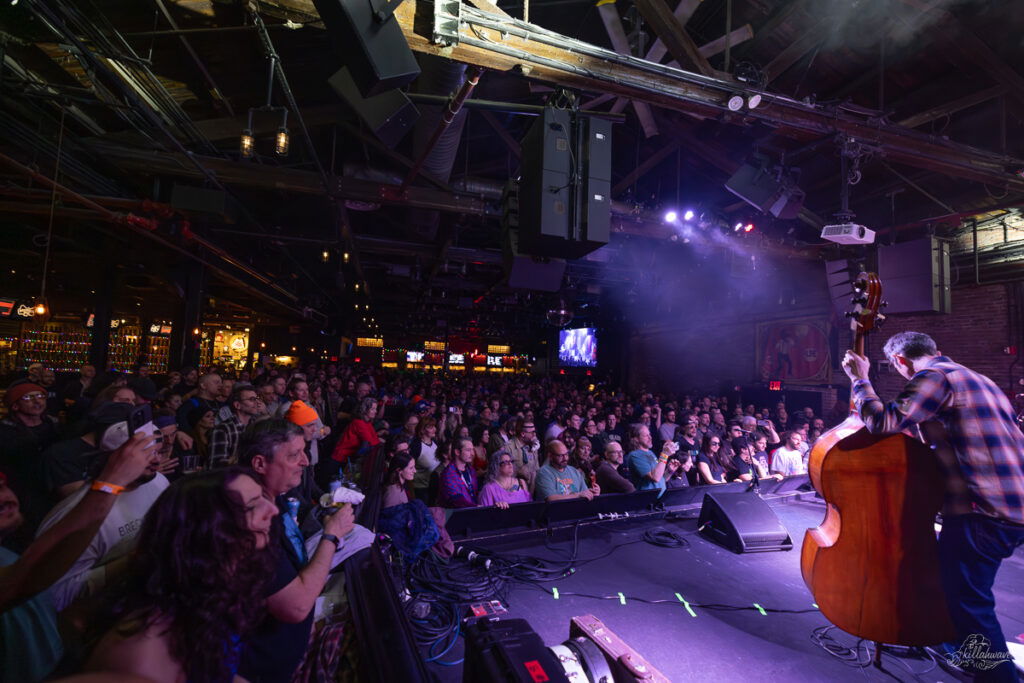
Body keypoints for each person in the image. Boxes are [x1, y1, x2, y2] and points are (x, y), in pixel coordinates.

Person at [843, 331, 1024, 681]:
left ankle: (998, 677)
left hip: (983, 509)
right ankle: (949, 645)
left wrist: (860, 379)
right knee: (955, 589)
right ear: (937, 351)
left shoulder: (935, 377)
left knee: (970, 604)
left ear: (901, 361)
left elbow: (882, 423)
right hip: (1013, 502)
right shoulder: (978, 378)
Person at [81, 467, 279, 683]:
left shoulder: (206, 594)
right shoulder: (141, 653)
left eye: (263, 497)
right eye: (253, 505)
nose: (272, 510)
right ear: (209, 531)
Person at [0, 433, 159, 682]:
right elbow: (26, 580)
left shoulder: (7, 553)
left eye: (1, 483)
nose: (3, 495)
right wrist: (112, 481)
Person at [237, 419, 356, 683]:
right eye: (294, 455)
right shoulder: (253, 521)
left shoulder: (275, 499)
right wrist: (332, 535)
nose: (305, 461)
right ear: (259, 464)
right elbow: (295, 606)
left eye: (304, 451)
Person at [34, 417, 170, 611]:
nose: (156, 460)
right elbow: (52, 596)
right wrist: (136, 559)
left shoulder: (158, 482)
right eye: (143, 453)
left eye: (156, 450)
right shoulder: (76, 514)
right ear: (112, 457)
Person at [209, 384, 262, 466]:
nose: (257, 402)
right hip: (233, 476)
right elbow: (217, 465)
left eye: (257, 399)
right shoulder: (223, 429)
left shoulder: (257, 425)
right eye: (252, 399)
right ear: (237, 405)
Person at [534, 440, 600, 502]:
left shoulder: (574, 471)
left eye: (566, 454)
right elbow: (551, 498)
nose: (565, 458)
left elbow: (585, 493)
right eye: (560, 456)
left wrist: (593, 493)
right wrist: (578, 495)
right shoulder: (544, 473)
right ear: (550, 456)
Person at [626, 425, 680, 495]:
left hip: (660, 498)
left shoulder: (650, 452)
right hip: (648, 500)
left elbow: (661, 479)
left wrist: (669, 471)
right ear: (636, 439)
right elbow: (655, 478)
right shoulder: (635, 455)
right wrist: (664, 455)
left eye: (649, 434)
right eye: (646, 435)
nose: (650, 437)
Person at [436, 437, 479, 508]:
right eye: (468, 450)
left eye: (472, 450)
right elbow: (456, 500)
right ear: (457, 452)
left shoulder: (471, 471)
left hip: (472, 512)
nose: (472, 454)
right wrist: (476, 507)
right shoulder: (448, 474)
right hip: (455, 515)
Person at [408, 416, 440, 501]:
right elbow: (409, 467)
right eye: (431, 427)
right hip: (421, 489)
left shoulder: (435, 442)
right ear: (422, 430)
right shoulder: (416, 446)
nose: (435, 429)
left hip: (434, 486)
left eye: (434, 426)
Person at [505, 419, 541, 494]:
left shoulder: (533, 446)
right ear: (523, 434)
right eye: (532, 432)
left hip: (531, 491)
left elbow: (536, 470)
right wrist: (518, 471)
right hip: (514, 491)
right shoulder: (508, 448)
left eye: (535, 432)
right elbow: (502, 473)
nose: (535, 435)